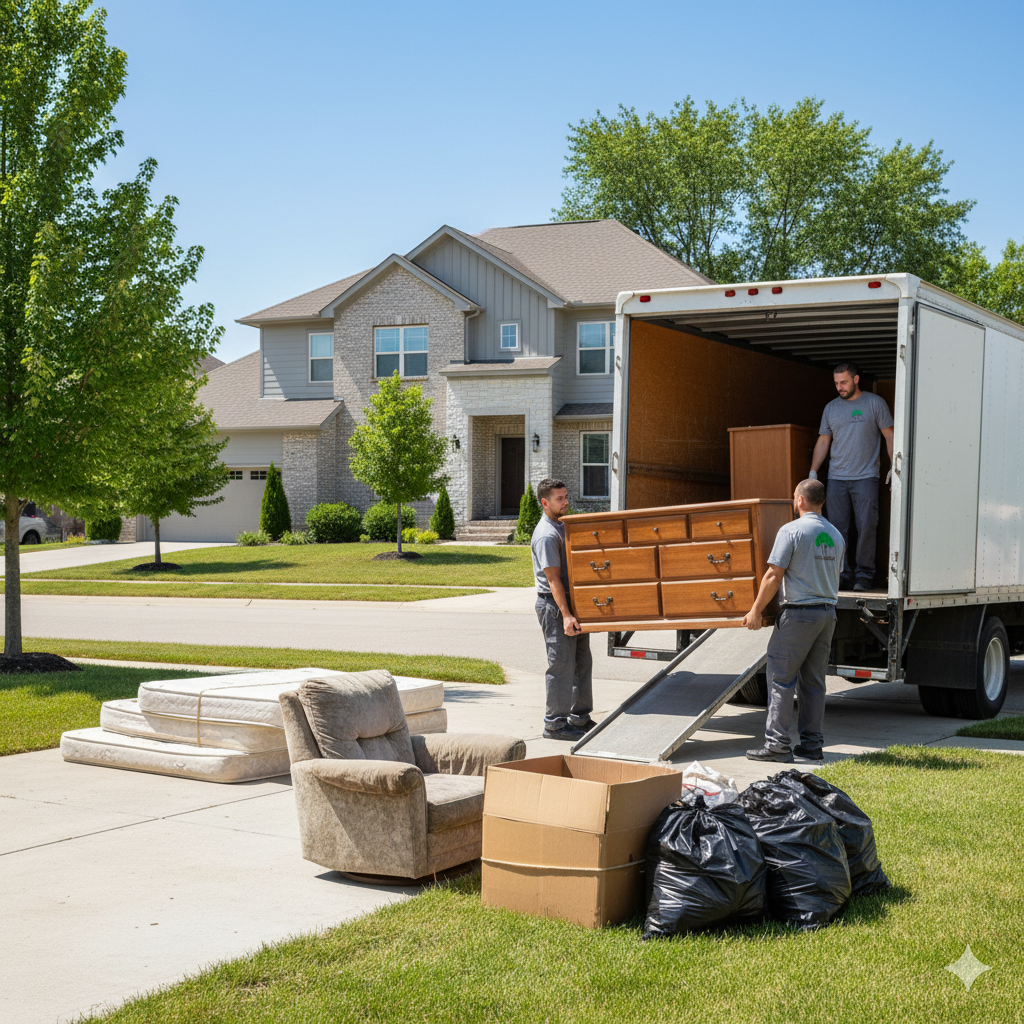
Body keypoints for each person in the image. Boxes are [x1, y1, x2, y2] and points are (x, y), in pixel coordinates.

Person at [742, 478, 845, 763]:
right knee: (813, 683)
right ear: (822, 501)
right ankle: (812, 746)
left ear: (799, 500)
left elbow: (774, 574)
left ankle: (776, 746)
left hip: (799, 615)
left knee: (780, 679)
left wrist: (755, 611)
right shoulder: (836, 535)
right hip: (827, 614)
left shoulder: (792, 531)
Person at [809, 361, 894, 591]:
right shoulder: (830, 408)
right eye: (836, 383)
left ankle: (864, 576)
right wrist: (813, 472)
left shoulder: (875, 403)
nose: (840, 387)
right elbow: (824, 441)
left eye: (844, 382)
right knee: (837, 528)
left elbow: (889, 436)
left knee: (867, 526)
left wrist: (897, 467)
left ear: (856, 379)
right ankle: (842, 574)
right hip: (836, 478)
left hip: (866, 477)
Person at [530, 477, 595, 741]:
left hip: (572, 603)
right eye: (560, 499)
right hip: (555, 607)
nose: (566, 502)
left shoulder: (562, 526)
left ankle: (579, 719)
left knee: (582, 663)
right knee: (561, 665)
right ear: (545, 503)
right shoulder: (546, 535)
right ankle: (554, 724)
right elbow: (554, 579)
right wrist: (566, 615)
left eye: (566, 496)